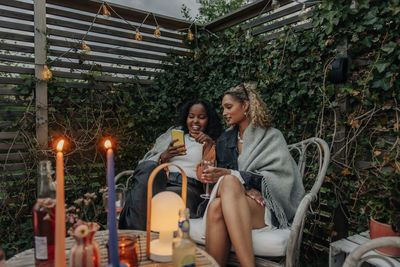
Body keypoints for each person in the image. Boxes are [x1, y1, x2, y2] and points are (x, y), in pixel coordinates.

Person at [200, 83, 305, 267]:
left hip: (265, 206)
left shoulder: (272, 136)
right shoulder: (225, 140)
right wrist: (243, 186)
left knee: (229, 183)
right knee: (218, 203)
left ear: (246, 106)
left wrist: (238, 180)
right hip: (235, 200)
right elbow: (225, 179)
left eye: (229, 107)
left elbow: (280, 178)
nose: (224, 113)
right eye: (223, 108)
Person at [119, 99, 222, 230]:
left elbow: (212, 175)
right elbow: (145, 161)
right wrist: (164, 155)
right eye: (191, 116)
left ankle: (135, 234)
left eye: (201, 117)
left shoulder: (216, 142)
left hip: (190, 187)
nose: (195, 121)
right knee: (148, 167)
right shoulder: (174, 134)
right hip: (161, 180)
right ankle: (139, 235)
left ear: (209, 120)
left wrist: (209, 146)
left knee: (145, 198)